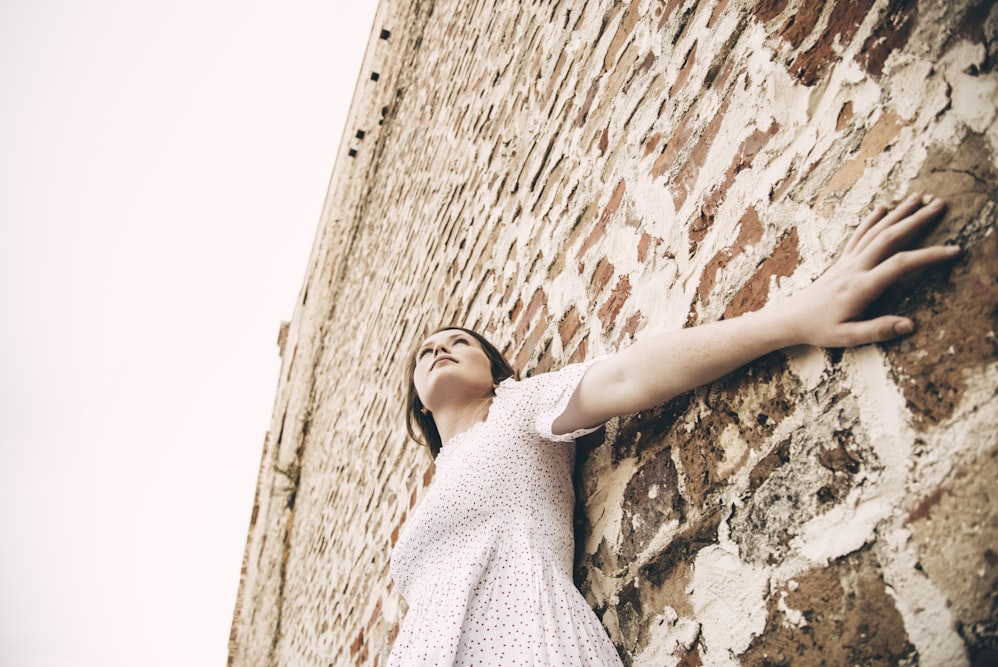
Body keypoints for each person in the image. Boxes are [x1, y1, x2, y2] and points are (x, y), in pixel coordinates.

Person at [387, 194, 960, 666]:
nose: (441, 348)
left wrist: (791, 319)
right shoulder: (435, 487)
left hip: (525, 645)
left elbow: (632, 375)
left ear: (493, 372)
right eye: (427, 352)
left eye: (460, 341)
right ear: (418, 400)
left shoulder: (513, 409)